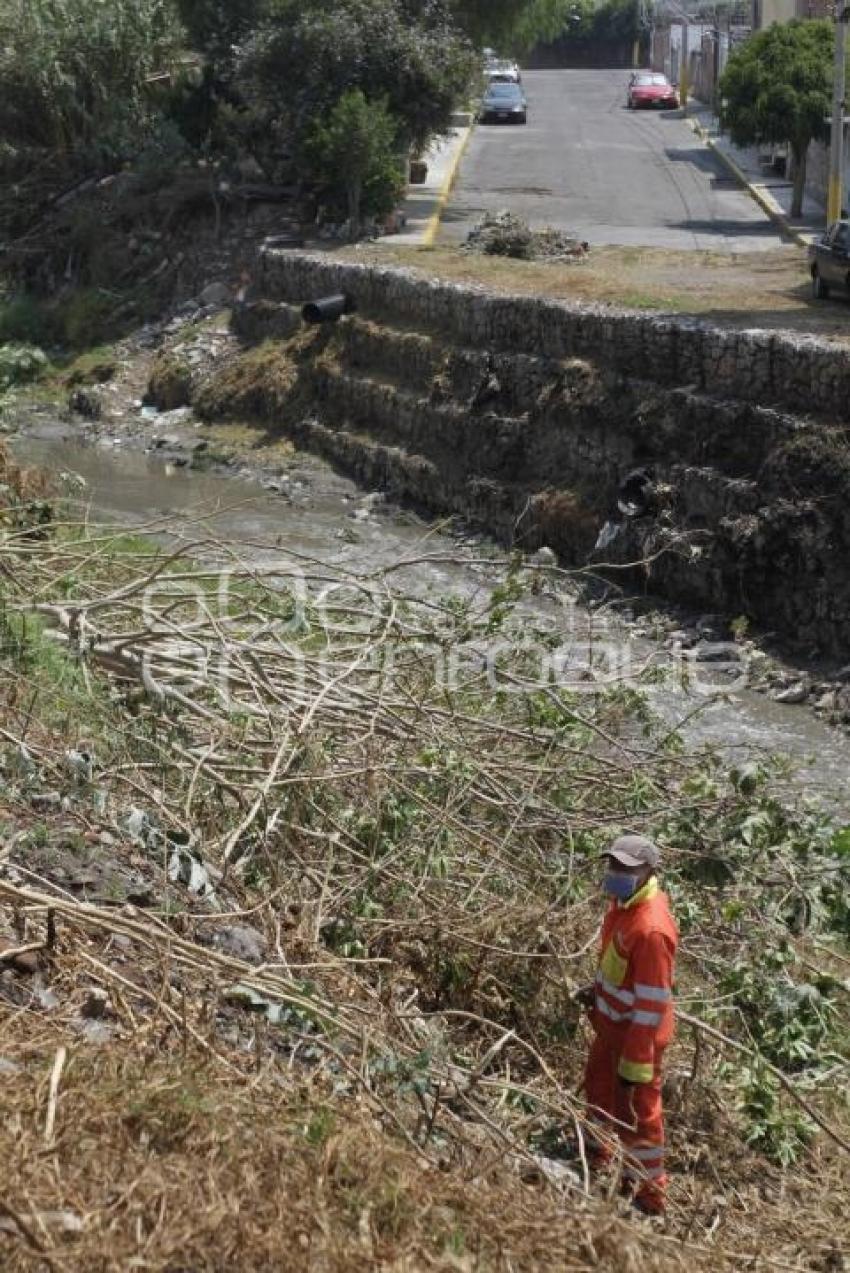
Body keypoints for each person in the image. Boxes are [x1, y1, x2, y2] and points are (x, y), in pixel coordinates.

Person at [576, 834, 678, 1215]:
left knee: (639, 1116)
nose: (616, 873)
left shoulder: (651, 928)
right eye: (613, 865)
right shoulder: (623, 906)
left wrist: (636, 1064)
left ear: (649, 871)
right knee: (599, 1090)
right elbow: (622, 971)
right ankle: (597, 1159)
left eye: (625, 868)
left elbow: (652, 1004)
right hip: (612, 1027)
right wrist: (597, 992)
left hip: (638, 1041)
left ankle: (650, 1195)